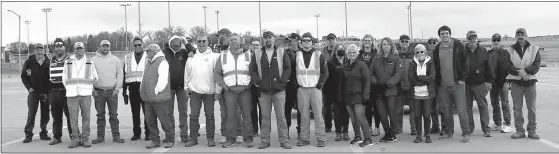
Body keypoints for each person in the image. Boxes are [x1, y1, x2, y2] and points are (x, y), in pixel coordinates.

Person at [250, 31, 293, 149]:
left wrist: (282, 82)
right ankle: (265, 140)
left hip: (279, 91)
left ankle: (284, 140)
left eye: (270, 37)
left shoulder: (281, 51)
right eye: (265, 38)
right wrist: (258, 81)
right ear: (263, 40)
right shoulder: (257, 53)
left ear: (274, 39)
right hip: (263, 91)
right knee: (265, 117)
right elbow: (252, 69)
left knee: (281, 116)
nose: (268, 39)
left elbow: (287, 68)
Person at [214, 34, 255, 148]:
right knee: (230, 116)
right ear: (228, 41)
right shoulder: (223, 55)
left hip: (245, 89)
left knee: (247, 115)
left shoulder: (248, 54)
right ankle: (230, 139)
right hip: (229, 90)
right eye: (231, 40)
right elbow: (217, 72)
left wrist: (249, 85)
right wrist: (223, 85)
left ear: (240, 41)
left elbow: (254, 71)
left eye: (235, 39)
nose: (233, 41)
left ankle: (248, 139)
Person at [433, 25, 471, 143]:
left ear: (450, 34)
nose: (445, 35)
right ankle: (449, 132)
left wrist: (462, 79)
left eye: (446, 33)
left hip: (457, 84)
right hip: (443, 85)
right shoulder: (437, 48)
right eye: (442, 34)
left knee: (461, 110)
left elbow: (466, 62)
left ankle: (466, 133)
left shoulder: (458, 45)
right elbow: (435, 67)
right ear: (439, 36)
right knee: (446, 110)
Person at [183, 36, 220, 147]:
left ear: (208, 42)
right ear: (196, 43)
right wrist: (186, 88)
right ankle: (193, 138)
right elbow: (187, 73)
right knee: (193, 116)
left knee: (209, 115)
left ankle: (210, 138)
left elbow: (218, 74)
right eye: (199, 41)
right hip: (194, 91)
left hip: (209, 92)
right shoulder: (191, 56)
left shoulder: (214, 56)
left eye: (204, 41)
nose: (201, 43)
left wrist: (218, 90)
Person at [295, 32, 329, 147]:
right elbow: (291, 72)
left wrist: (320, 85)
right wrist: (297, 85)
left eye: (308, 40)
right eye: (304, 40)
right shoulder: (296, 55)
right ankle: (304, 138)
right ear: (301, 42)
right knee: (304, 115)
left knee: (318, 114)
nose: (306, 42)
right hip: (302, 89)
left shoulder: (318, 55)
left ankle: (321, 138)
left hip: (315, 89)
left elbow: (325, 72)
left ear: (312, 42)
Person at [506, 28, 541, 140]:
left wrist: (526, 71)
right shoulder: (510, 50)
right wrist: (518, 72)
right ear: (515, 36)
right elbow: (507, 65)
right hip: (516, 83)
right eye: (518, 34)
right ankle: (519, 131)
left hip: (530, 83)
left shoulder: (534, 49)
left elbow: (536, 65)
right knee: (517, 108)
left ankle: (532, 131)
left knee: (531, 108)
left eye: (522, 34)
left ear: (526, 36)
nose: (520, 36)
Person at [63, 42, 99, 148]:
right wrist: (69, 88)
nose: (79, 51)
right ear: (74, 50)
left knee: (86, 117)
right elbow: (64, 78)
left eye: (81, 49)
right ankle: (75, 139)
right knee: (73, 118)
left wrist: (88, 86)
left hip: (85, 94)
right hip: (72, 94)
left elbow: (95, 77)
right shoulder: (68, 62)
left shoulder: (89, 62)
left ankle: (85, 139)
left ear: (84, 50)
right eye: (77, 49)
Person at [140, 44, 175, 149]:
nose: (146, 53)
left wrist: (155, 91)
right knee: (150, 121)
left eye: (148, 51)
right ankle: (155, 140)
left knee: (165, 120)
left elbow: (163, 80)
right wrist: (142, 89)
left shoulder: (162, 62)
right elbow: (144, 77)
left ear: (153, 52)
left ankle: (170, 139)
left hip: (159, 98)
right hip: (148, 98)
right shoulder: (149, 62)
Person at [91, 40, 125, 144]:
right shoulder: (93, 60)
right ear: (99, 47)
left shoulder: (115, 60)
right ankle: (100, 136)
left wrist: (117, 89)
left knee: (113, 115)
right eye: (103, 46)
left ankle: (116, 136)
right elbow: (89, 76)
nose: (105, 48)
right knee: (100, 115)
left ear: (109, 47)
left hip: (112, 92)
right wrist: (92, 90)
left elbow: (120, 75)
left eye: (107, 46)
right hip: (99, 92)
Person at [370, 37, 403, 143]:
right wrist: (377, 83)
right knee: (382, 113)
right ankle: (387, 132)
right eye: (384, 44)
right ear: (381, 46)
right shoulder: (376, 58)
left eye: (388, 44)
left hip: (391, 91)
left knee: (392, 113)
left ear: (391, 46)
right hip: (379, 91)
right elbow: (370, 73)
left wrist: (388, 84)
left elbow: (398, 74)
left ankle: (393, 134)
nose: (386, 46)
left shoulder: (396, 58)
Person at [214, 28, 244, 144]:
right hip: (222, 86)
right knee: (224, 112)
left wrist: (244, 48)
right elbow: (217, 71)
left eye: (220, 35)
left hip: (234, 87)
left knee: (236, 112)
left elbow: (246, 47)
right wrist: (220, 87)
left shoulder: (239, 48)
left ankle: (238, 133)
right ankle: (225, 133)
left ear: (226, 35)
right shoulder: (218, 49)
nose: (219, 37)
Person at [464, 30, 494, 138]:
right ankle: (469, 129)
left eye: (474, 38)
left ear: (477, 39)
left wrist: (489, 82)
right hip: (465, 84)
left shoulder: (483, 51)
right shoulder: (462, 51)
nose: (472, 40)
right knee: (467, 108)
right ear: (466, 39)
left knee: (483, 106)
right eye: (470, 38)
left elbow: (489, 68)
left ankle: (486, 129)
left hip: (480, 84)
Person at [342, 44, 373, 147]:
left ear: (357, 53)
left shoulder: (362, 65)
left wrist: (366, 95)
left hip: (359, 96)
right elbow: (342, 82)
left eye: (354, 52)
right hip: (348, 96)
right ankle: (358, 136)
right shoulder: (344, 65)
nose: (352, 54)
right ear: (347, 54)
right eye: (350, 52)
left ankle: (368, 138)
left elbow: (367, 81)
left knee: (360, 116)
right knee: (353, 118)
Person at [21, 43, 52, 143]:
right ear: (35, 51)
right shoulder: (29, 62)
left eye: (41, 49)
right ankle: (28, 134)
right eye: (37, 50)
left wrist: (50, 89)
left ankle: (43, 133)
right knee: (31, 113)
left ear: (44, 51)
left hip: (45, 92)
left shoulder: (49, 61)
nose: (39, 51)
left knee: (45, 114)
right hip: (33, 92)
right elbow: (24, 76)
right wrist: (29, 88)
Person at [163, 35, 191, 144]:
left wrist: (186, 41)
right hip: (168, 87)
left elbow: (194, 50)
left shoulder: (184, 52)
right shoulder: (164, 52)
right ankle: (170, 135)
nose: (175, 47)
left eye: (178, 45)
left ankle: (184, 135)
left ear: (180, 44)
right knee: (168, 112)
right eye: (173, 45)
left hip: (182, 87)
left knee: (183, 112)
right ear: (170, 44)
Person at [123, 37, 150, 141]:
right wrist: (124, 91)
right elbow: (124, 74)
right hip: (132, 88)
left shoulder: (148, 56)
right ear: (132, 46)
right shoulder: (127, 57)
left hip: (145, 87)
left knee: (147, 112)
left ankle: (148, 133)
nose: (137, 47)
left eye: (139, 45)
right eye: (135, 45)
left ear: (142, 45)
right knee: (135, 112)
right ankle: (137, 133)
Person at [408, 44, 436, 143]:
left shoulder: (431, 63)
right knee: (417, 116)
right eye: (418, 52)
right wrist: (423, 80)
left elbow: (432, 77)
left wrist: (419, 78)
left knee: (427, 115)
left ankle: (427, 135)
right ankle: (418, 135)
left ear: (425, 52)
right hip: (416, 95)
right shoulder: (412, 64)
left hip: (427, 95)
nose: (420, 53)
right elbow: (411, 78)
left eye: (422, 51)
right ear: (415, 53)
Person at [48, 38, 73, 145]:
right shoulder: (50, 61)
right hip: (53, 92)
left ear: (64, 47)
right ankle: (57, 137)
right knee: (56, 116)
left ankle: (74, 136)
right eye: (57, 46)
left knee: (70, 115)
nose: (59, 48)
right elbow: (46, 77)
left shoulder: (70, 60)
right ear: (54, 48)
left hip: (66, 91)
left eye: (61, 46)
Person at [488, 33, 513, 133]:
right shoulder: (489, 53)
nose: (496, 42)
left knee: (505, 103)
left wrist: (508, 81)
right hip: (493, 83)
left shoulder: (506, 53)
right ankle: (497, 123)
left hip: (503, 82)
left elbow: (509, 67)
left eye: (498, 40)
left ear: (501, 41)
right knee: (494, 103)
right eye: (494, 40)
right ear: (492, 41)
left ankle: (507, 123)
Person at [358, 34, 381, 136]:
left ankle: (377, 127)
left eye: (369, 40)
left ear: (372, 42)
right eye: (365, 40)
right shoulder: (359, 54)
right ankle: (369, 127)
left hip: (375, 84)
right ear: (363, 42)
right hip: (364, 85)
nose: (367, 42)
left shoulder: (377, 54)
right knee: (367, 107)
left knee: (377, 107)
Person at [327, 44, 350, 141]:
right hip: (335, 92)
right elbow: (328, 78)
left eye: (342, 49)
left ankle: (345, 132)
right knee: (337, 113)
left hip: (346, 91)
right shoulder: (330, 62)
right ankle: (338, 132)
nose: (340, 51)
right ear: (335, 51)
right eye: (338, 50)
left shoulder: (348, 62)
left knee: (346, 112)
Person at [396, 34, 416, 135]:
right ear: (399, 42)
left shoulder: (414, 54)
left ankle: (414, 129)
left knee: (413, 109)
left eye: (406, 41)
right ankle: (398, 128)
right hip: (399, 86)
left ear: (409, 43)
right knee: (398, 109)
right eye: (402, 41)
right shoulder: (395, 55)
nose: (404, 43)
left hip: (411, 86)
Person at [285, 33, 302, 140]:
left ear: (297, 41)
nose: (290, 42)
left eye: (292, 40)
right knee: (287, 109)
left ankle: (300, 130)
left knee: (301, 109)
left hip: (300, 85)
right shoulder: (284, 53)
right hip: (288, 85)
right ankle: (286, 130)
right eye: (289, 41)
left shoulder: (302, 52)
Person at [426, 37, 444, 135]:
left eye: (434, 42)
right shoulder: (426, 56)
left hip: (441, 83)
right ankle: (435, 126)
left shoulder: (441, 53)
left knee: (442, 107)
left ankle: (445, 127)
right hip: (431, 84)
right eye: (430, 43)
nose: (432, 44)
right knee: (432, 107)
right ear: (428, 44)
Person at [322, 33, 338, 133]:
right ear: (326, 41)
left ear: (335, 40)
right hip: (326, 84)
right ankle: (328, 126)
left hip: (337, 83)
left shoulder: (340, 51)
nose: (331, 41)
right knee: (326, 107)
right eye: (329, 39)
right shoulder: (322, 53)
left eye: (332, 39)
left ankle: (338, 126)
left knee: (337, 107)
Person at [250, 41, 263, 137]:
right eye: (254, 45)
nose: (255, 46)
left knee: (263, 109)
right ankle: (254, 130)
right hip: (251, 86)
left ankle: (263, 130)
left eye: (257, 45)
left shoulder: (262, 55)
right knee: (252, 109)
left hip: (261, 86)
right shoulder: (247, 55)